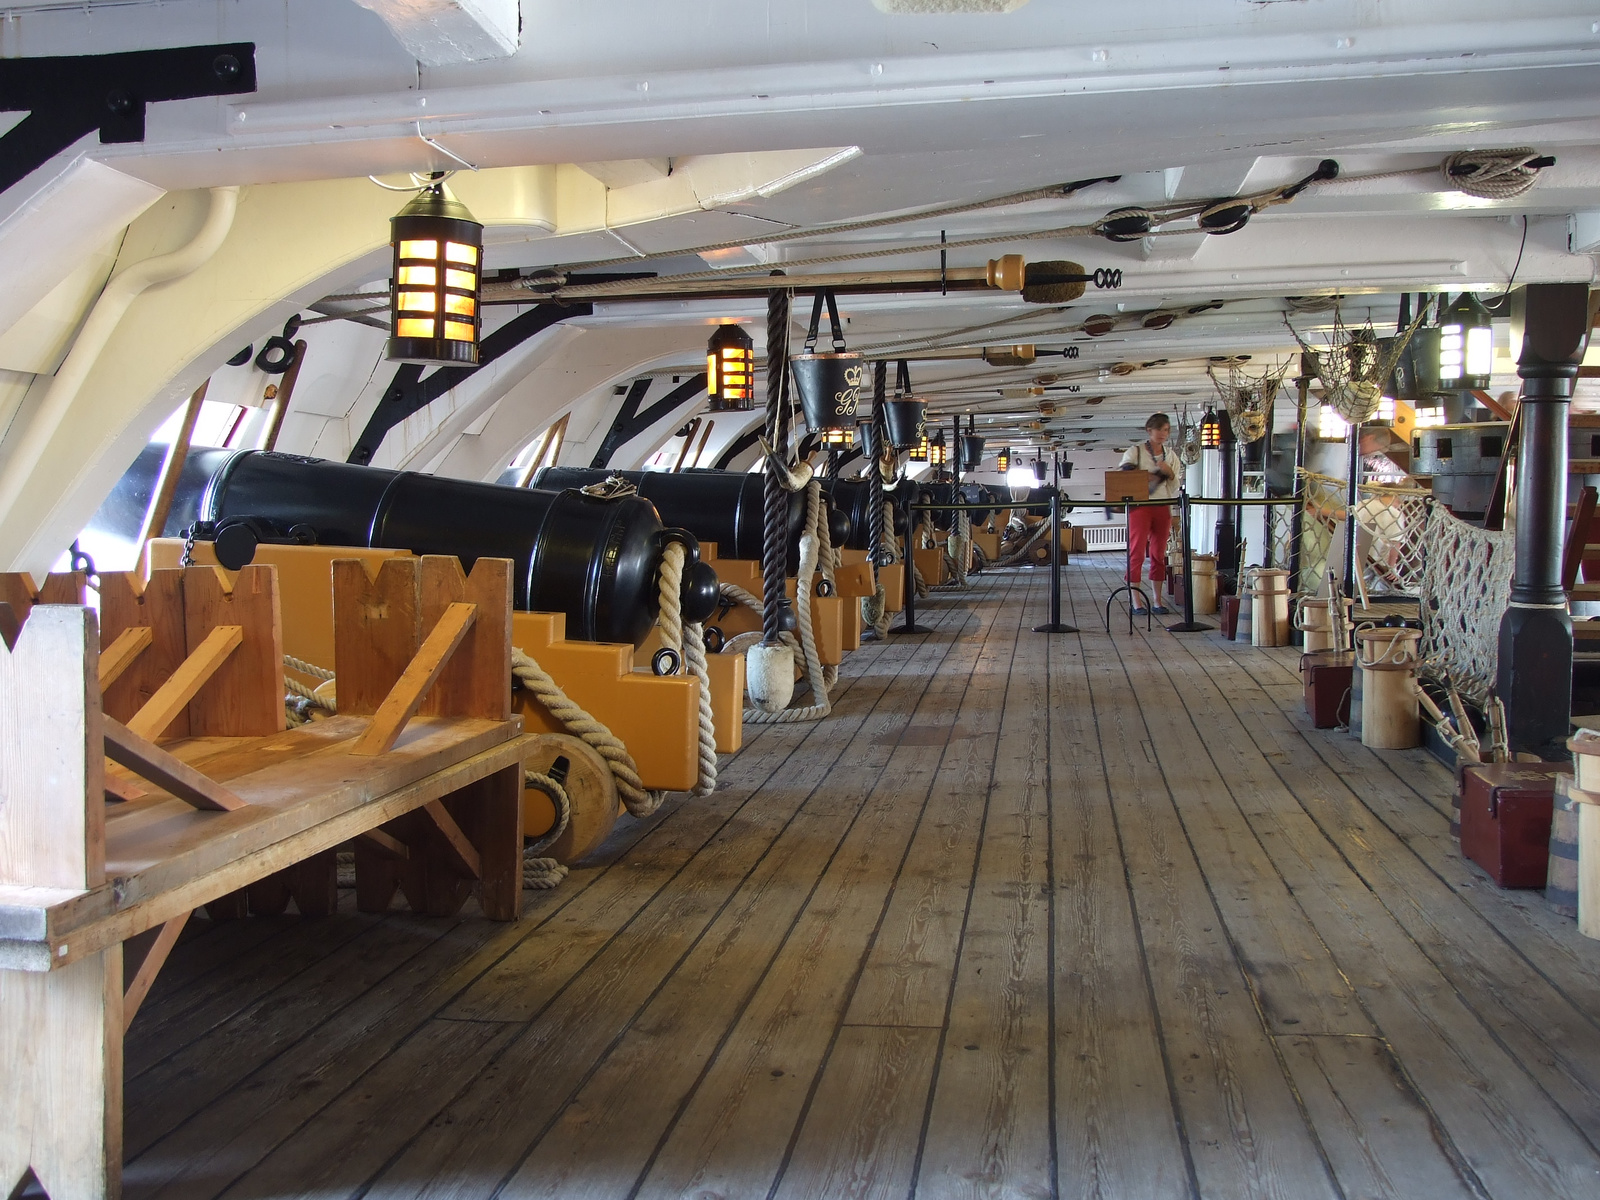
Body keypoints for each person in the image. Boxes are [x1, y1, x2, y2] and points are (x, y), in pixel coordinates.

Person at [1119, 413, 1184, 614]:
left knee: (1158, 553)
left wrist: (1168, 472)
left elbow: (1174, 485)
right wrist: (1150, 474)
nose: (1162, 434)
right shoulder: (1136, 452)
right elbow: (1124, 476)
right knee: (1136, 551)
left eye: (1166, 430)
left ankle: (1157, 600)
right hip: (1140, 506)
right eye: (1159, 429)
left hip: (1163, 506)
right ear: (1149, 430)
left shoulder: (1170, 455)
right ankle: (1136, 600)